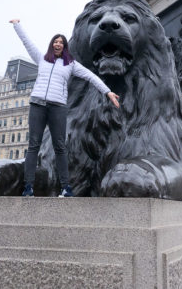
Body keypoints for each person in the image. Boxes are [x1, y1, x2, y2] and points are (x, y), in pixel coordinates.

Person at [9, 19, 120, 198]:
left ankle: (65, 187)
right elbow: (26, 41)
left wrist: (107, 92)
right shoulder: (41, 59)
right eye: (55, 41)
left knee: (60, 146)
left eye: (61, 42)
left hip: (57, 107)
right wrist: (17, 25)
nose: (58, 44)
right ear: (52, 45)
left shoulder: (71, 64)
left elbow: (91, 77)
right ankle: (28, 186)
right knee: (33, 146)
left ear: (64, 46)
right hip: (38, 104)